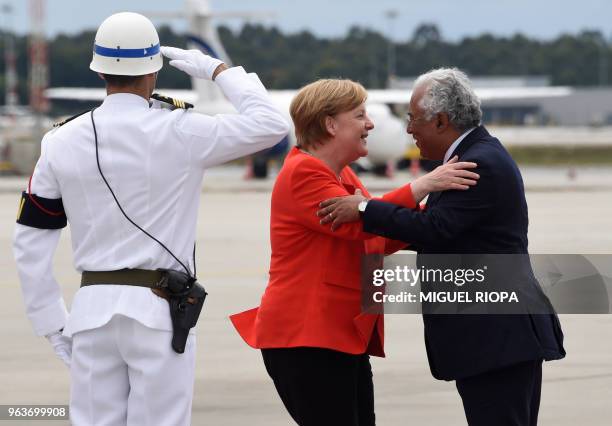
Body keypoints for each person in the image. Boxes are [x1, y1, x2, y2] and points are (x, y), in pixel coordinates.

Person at [13, 12, 289, 426]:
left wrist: (52, 322)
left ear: (99, 70)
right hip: (160, 310)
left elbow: (31, 239)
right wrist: (217, 70)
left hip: (90, 313)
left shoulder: (59, 141)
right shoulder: (182, 130)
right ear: (153, 73)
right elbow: (271, 125)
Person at [317, 68, 566, 426]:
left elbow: (436, 228)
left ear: (441, 121)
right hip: (496, 336)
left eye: (413, 118)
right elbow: (445, 230)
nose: (408, 129)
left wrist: (363, 209)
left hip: (497, 336)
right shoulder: (473, 154)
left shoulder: (478, 162)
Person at [230, 78, 480, 426]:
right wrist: (423, 185)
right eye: (360, 115)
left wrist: (439, 220)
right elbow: (358, 224)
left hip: (339, 335)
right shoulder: (304, 173)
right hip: (307, 337)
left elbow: (380, 234)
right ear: (330, 124)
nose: (371, 124)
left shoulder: (340, 173)